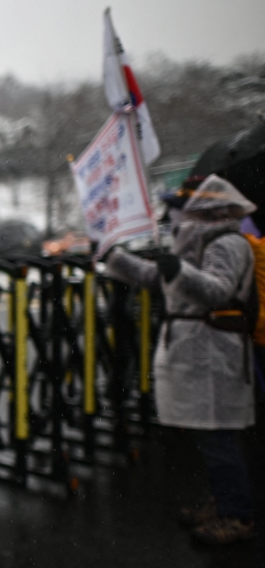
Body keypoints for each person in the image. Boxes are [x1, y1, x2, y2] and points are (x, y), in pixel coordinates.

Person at [105, 175, 256, 544]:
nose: (171, 215)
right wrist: (112, 255)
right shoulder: (194, 242)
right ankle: (221, 502)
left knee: (218, 436)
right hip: (193, 350)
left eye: (176, 208)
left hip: (214, 352)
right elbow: (152, 278)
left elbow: (219, 291)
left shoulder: (228, 243)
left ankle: (237, 515)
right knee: (207, 436)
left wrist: (178, 269)